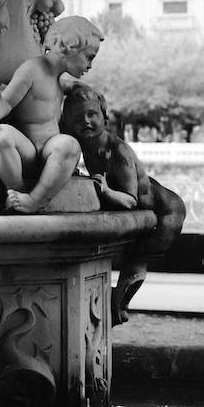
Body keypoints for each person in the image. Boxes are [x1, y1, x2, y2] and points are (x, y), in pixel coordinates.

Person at [60, 84, 186, 325]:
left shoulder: (118, 153)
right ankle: (109, 312)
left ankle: (116, 310)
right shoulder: (83, 141)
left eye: (92, 114)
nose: (85, 121)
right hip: (147, 205)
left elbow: (131, 201)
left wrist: (106, 191)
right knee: (125, 263)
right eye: (77, 117)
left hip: (167, 212)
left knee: (135, 262)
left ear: (104, 118)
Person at [0, 16, 104, 213]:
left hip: (51, 153)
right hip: (25, 152)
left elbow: (68, 86)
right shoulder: (32, 69)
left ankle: (35, 200)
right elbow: (6, 100)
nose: (90, 66)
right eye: (89, 57)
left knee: (69, 145)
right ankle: (16, 191)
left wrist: (82, 88)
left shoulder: (58, 79)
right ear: (69, 46)